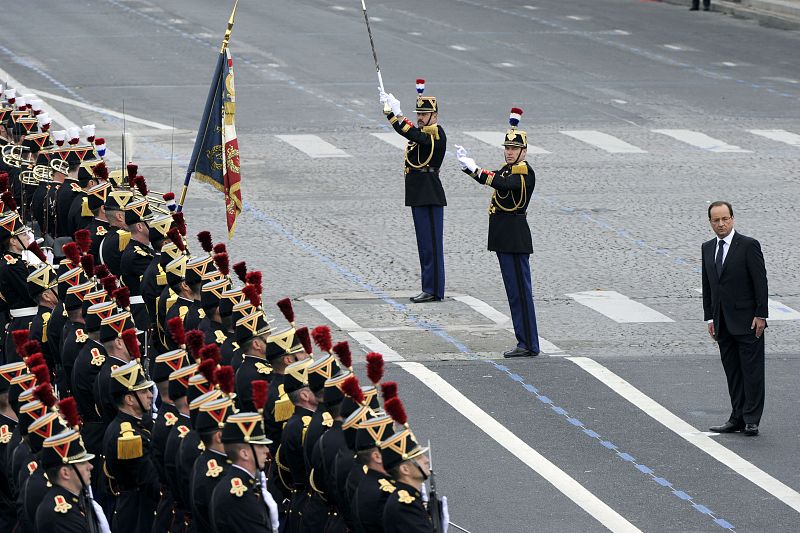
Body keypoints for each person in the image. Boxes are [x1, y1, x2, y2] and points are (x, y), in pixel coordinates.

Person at [455, 108, 540, 358]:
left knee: (521, 294)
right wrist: (470, 169)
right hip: (505, 239)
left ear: (523, 151)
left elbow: (502, 184)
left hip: (515, 239)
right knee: (514, 294)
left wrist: (476, 169)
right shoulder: (508, 169)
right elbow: (495, 178)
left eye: (514, 149)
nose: (509, 152)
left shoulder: (523, 172)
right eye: (507, 148)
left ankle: (529, 344)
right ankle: (523, 341)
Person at [702, 201, 768, 436]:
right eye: (716, 220)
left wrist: (761, 315)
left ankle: (751, 419)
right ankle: (737, 417)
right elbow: (708, 285)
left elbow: (760, 282)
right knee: (733, 373)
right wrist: (709, 318)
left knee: (751, 372)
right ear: (710, 222)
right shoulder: (707, 248)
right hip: (722, 322)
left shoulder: (748, 245)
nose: (721, 224)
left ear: (732, 219)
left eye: (725, 219)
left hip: (748, 321)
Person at [379, 80, 447, 303]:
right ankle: (429, 287)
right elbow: (409, 131)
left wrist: (397, 114)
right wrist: (389, 110)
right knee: (424, 244)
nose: (420, 117)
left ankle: (434, 290)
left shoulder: (436, 134)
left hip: (430, 194)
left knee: (432, 246)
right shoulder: (421, 132)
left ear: (434, 117)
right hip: (419, 193)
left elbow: (413, 135)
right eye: (418, 113)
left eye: (425, 114)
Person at [209, 411, 275, 533]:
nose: (266, 450)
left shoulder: (244, 483)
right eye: (260, 446)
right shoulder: (239, 496)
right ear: (244, 453)